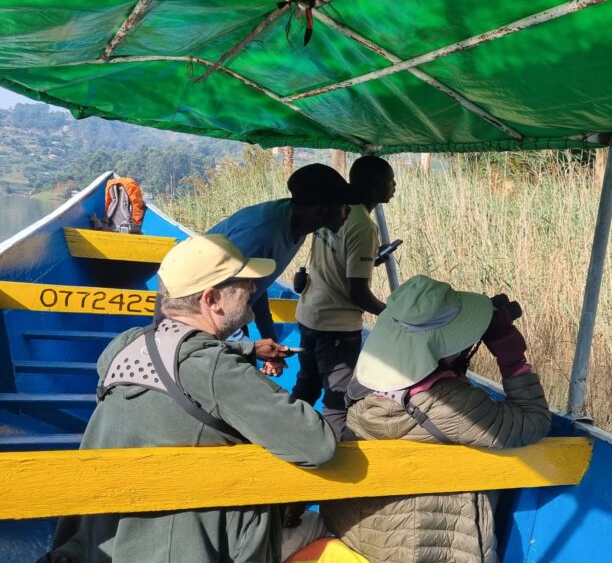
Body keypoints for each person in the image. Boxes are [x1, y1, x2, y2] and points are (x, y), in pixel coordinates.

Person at [45, 235, 337, 563]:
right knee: (322, 523)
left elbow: (179, 356)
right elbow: (317, 445)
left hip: (103, 543)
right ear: (211, 299)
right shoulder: (215, 370)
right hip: (183, 550)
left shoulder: (124, 345)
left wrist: (248, 348)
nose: (254, 289)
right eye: (244, 283)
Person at [319, 275, 552, 563]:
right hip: (425, 547)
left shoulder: (367, 379)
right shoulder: (451, 403)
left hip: (362, 533)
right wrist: (510, 354)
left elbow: (420, 375)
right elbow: (534, 421)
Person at [208, 163, 352, 376]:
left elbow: (256, 285)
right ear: (320, 209)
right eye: (344, 206)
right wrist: (250, 347)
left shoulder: (299, 223)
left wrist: (270, 341)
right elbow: (216, 300)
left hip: (229, 315)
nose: (348, 212)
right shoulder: (262, 235)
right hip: (201, 318)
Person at [291, 156, 396, 439]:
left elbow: (335, 261)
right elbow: (357, 293)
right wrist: (391, 315)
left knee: (307, 384)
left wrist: (368, 260)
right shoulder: (362, 225)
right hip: (335, 326)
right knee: (338, 401)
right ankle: (336, 460)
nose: (394, 185)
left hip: (308, 314)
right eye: (390, 181)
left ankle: (286, 435)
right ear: (375, 189)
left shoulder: (333, 208)